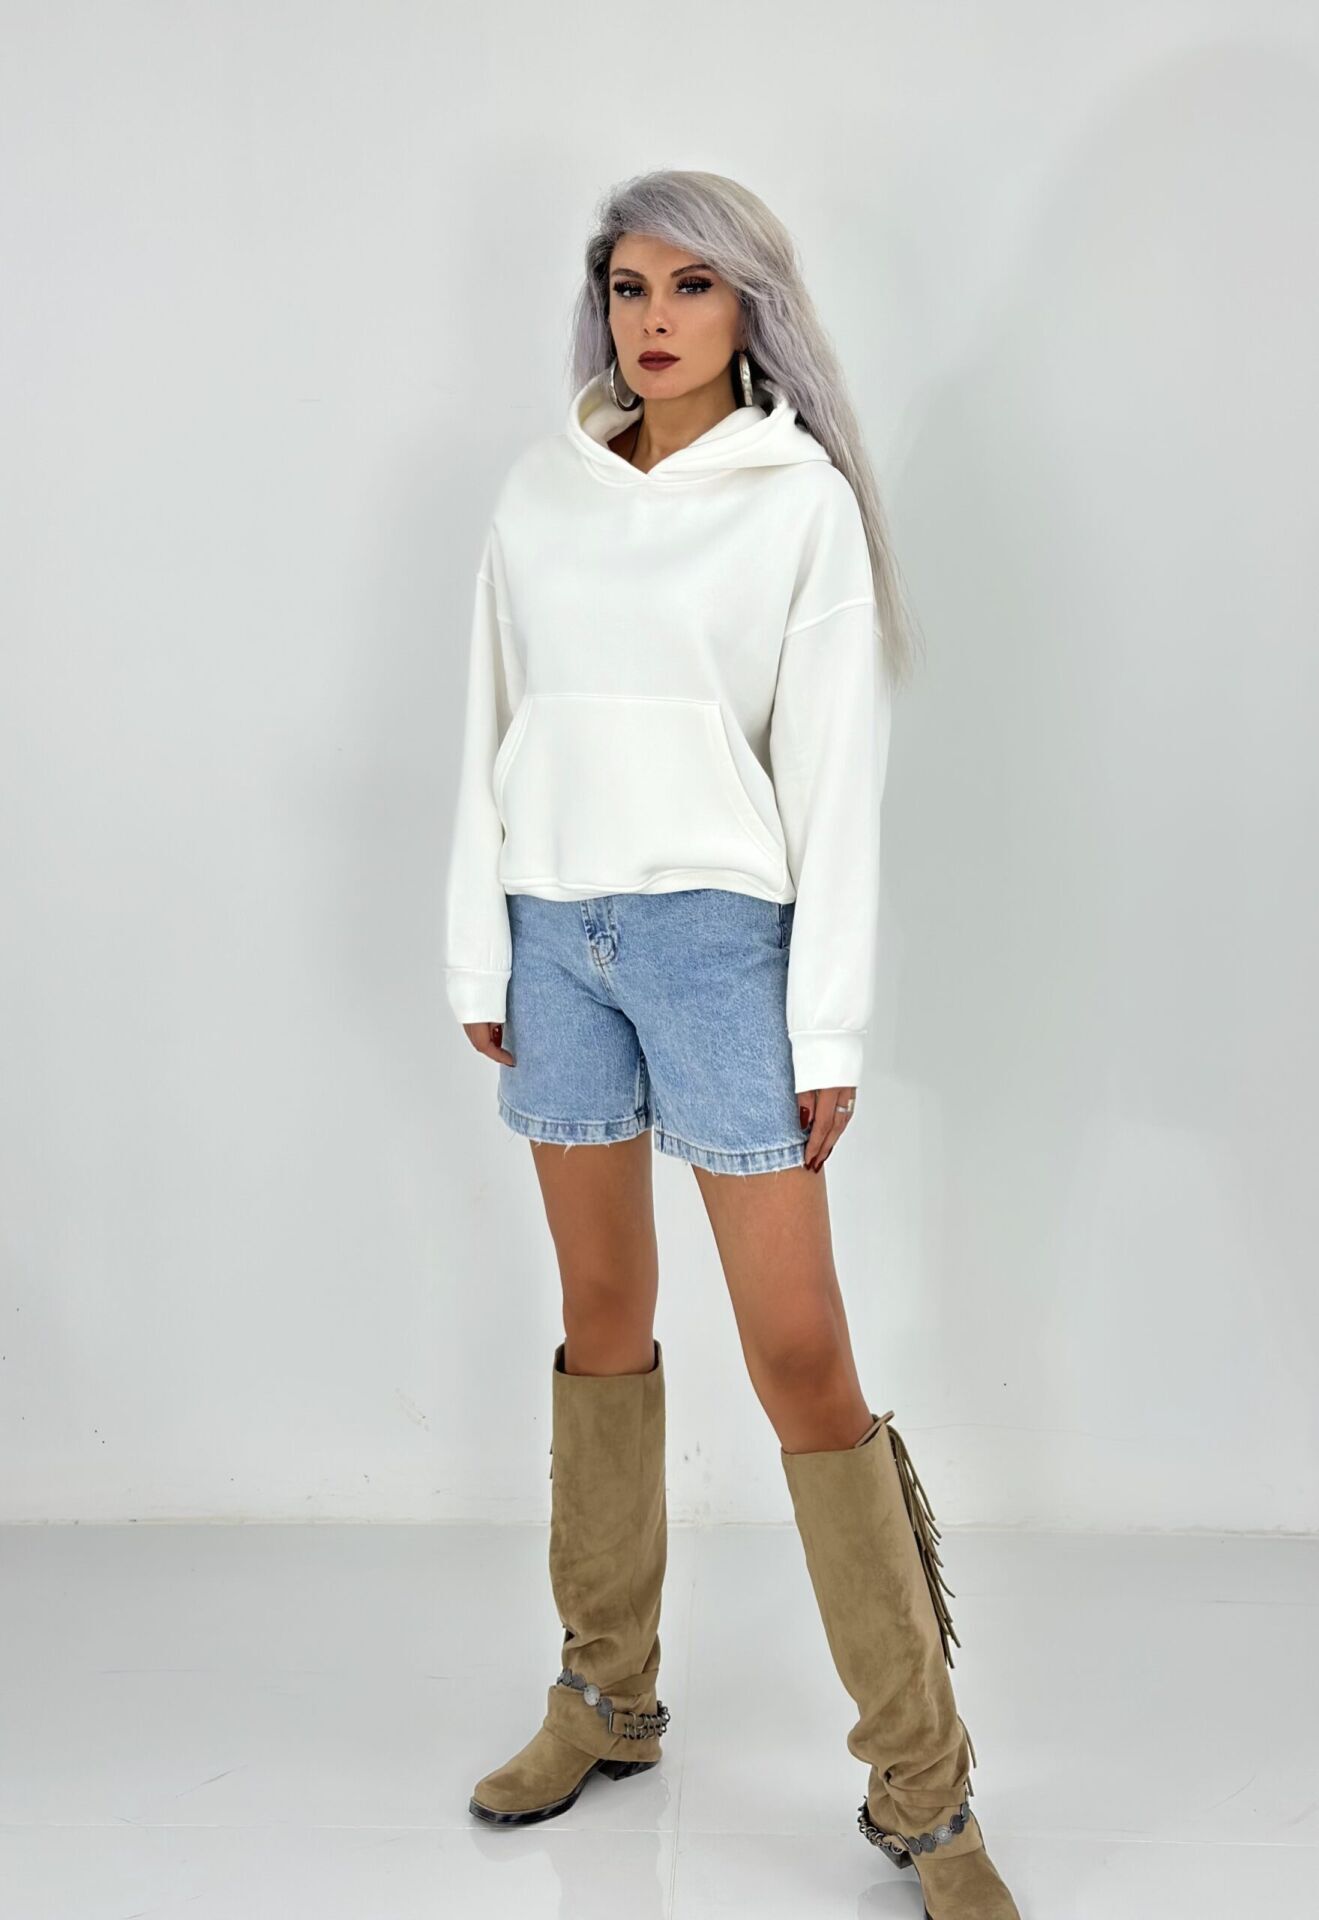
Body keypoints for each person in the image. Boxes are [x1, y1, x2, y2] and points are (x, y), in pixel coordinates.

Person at [442, 169, 1019, 1920]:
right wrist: (480, 940)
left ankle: (925, 1793)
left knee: (799, 1356)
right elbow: (491, 720)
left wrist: (823, 1017)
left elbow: (837, 781)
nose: (656, 318)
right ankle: (607, 1698)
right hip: (555, 936)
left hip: (718, 951)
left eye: (694, 286)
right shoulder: (540, 491)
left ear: (751, 307)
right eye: (631, 286)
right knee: (601, 1318)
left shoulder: (798, 507)